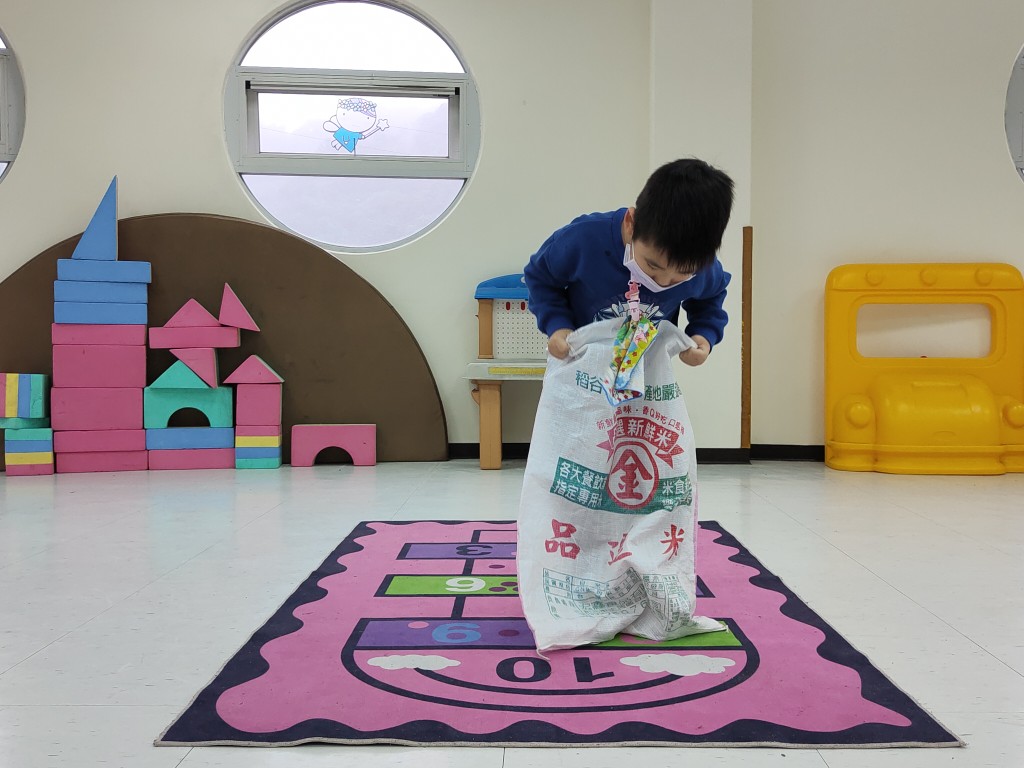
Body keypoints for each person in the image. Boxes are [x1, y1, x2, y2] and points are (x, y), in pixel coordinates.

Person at [523, 158, 734, 363]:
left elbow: (710, 298)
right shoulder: (584, 240)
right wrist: (557, 324)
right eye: (652, 265)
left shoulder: (702, 267)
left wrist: (703, 334)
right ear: (630, 223)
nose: (662, 282)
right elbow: (540, 277)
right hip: (580, 361)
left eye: (682, 274)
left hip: (645, 369)